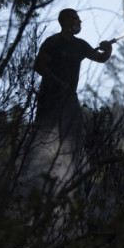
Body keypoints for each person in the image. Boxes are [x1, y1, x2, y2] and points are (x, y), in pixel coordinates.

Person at [33, 8, 114, 148]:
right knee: (41, 137)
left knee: (74, 138)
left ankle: (72, 166)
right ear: (65, 21)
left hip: (69, 99)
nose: (79, 21)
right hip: (49, 98)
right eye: (76, 18)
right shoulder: (53, 42)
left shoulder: (80, 45)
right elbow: (39, 66)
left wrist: (108, 49)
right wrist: (57, 82)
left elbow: (101, 58)